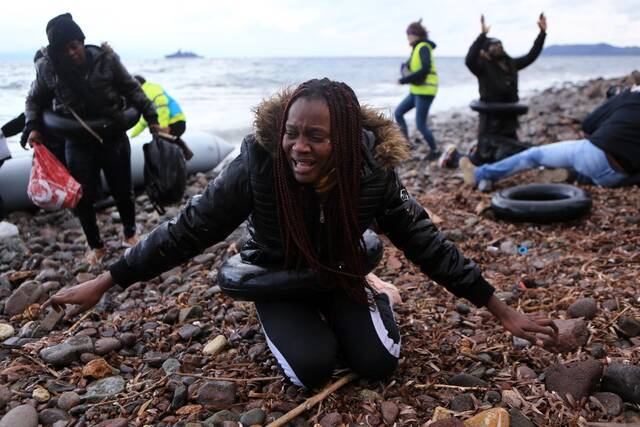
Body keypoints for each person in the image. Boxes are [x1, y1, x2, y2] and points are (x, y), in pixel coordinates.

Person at [45, 79, 556, 389]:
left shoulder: (372, 175)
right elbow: (189, 229)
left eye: (316, 136)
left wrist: (500, 309)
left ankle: (376, 297)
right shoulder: (258, 167)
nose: (299, 147)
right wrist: (108, 281)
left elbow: (427, 243)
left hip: (339, 270)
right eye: (292, 132)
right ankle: (306, 316)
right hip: (276, 275)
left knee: (378, 366)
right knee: (309, 370)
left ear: (347, 140)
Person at [24, 13, 161, 264]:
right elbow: (34, 99)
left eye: (74, 46)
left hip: (112, 135)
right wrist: (32, 126)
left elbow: (132, 89)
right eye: (64, 50)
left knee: (122, 188)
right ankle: (95, 245)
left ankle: (130, 234)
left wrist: (152, 118)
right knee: (81, 195)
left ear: (82, 41)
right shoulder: (50, 70)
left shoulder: (106, 60)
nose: (71, 53)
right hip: (77, 140)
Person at [460, 87, 640, 190]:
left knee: (533, 155)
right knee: (587, 168)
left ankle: (480, 174)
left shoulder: (630, 96)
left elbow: (588, 125)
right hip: (616, 178)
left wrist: (617, 101)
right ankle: (567, 175)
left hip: (595, 157)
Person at [465, 13, 547, 164]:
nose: (498, 47)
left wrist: (542, 34)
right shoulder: (482, 67)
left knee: (510, 147)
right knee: (487, 152)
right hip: (490, 119)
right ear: (485, 51)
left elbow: (531, 56)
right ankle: (471, 162)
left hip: (509, 116)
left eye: (500, 44)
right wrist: (482, 35)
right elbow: (469, 59)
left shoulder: (511, 65)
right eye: (493, 45)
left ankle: (511, 164)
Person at [394, 19, 439, 160]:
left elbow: (424, 70)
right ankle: (406, 145)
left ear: (415, 34)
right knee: (399, 112)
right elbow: (414, 69)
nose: (407, 38)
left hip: (425, 91)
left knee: (420, 124)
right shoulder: (416, 48)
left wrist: (403, 80)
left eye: (408, 35)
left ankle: (435, 150)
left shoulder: (423, 47)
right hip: (416, 90)